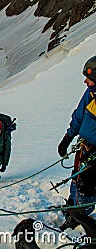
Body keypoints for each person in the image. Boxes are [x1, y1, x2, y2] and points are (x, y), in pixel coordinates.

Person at [57, 56, 96, 231]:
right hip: (86, 147)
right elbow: (79, 116)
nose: (85, 81)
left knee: (87, 186)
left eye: (89, 78)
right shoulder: (91, 94)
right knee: (77, 178)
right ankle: (72, 211)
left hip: (94, 152)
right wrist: (67, 138)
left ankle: (81, 218)